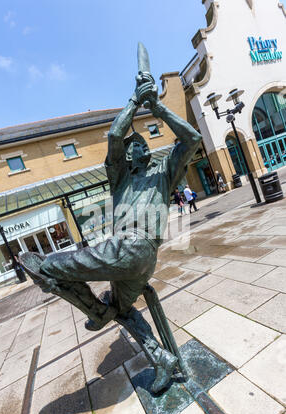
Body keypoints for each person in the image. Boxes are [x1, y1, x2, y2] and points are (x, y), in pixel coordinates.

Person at [21, 71, 201, 393]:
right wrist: (135, 100)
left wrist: (156, 108)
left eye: (139, 145)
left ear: (146, 153)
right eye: (131, 148)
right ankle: (160, 358)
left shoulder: (164, 173)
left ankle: (46, 268)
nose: (133, 148)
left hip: (137, 249)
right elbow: (115, 135)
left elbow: (192, 140)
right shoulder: (120, 180)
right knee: (119, 310)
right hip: (135, 260)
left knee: (71, 263)